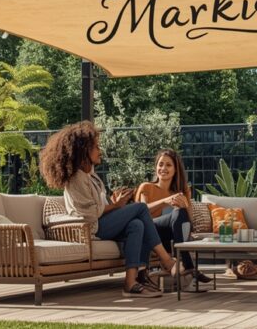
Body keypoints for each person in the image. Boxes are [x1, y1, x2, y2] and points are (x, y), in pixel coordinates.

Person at [39, 121, 177, 298]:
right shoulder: (76, 178)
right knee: (141, 208)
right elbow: (90, 214)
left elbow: (98, 205)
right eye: (96, 147)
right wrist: (116, 206)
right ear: (84, 150)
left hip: (100, 223)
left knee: (137, 225)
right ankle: (166, 260)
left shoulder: (90, 176)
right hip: (91, 228)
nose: (100, 150)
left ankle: (131, 282)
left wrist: (114, 203)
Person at [134, 149, 214, 286]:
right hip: (150, 232)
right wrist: (165, 201)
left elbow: (189, 220)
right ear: (156, 167)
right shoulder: (146, 187)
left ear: (176, 169)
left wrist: (185, 207)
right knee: (176, 212)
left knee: (179, 212)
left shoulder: (182, 191)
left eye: (168, 165)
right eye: (160, 164)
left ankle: (185, 264)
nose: (163, 168)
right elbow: (142, 210)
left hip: (171, 237)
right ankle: (188, 265)